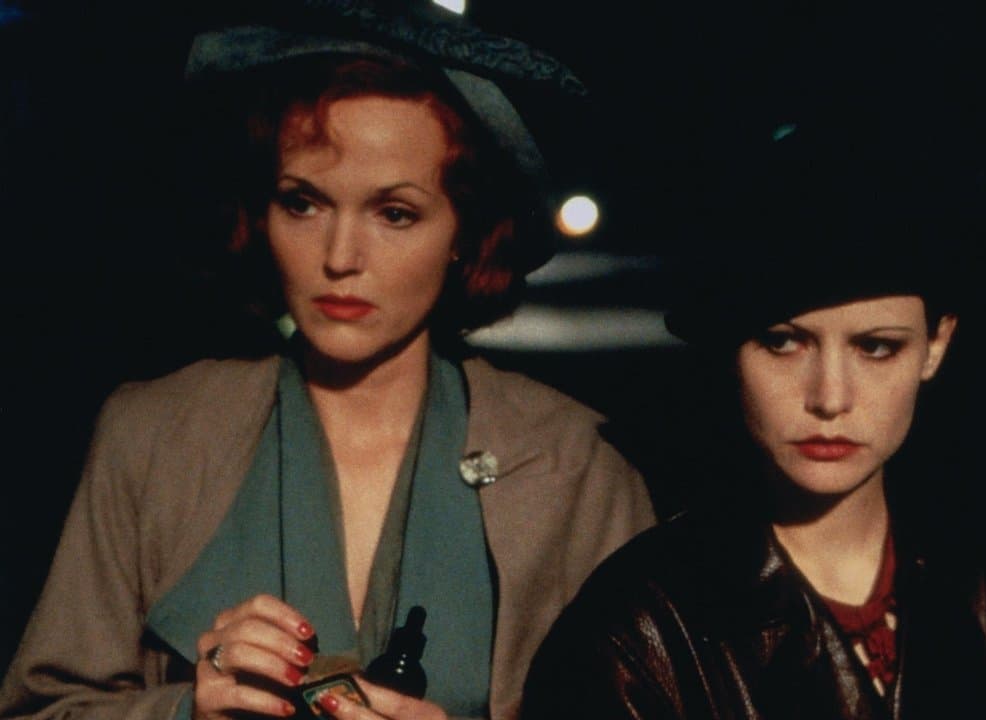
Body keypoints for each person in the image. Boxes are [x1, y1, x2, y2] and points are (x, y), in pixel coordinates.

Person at [0, 3, 653, 720]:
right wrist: (186, 711)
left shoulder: (575, 467)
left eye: (394, 214)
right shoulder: (151, 436)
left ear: (464, 233)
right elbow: (42, 707)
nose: (341, 257)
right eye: (304, 204)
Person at [520, 120, 986, 719]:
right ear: (731, 349)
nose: (830, 398)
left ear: (936, 346)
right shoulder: (636, 632)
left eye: (876, 347)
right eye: (783, 342)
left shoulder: (979, 596)